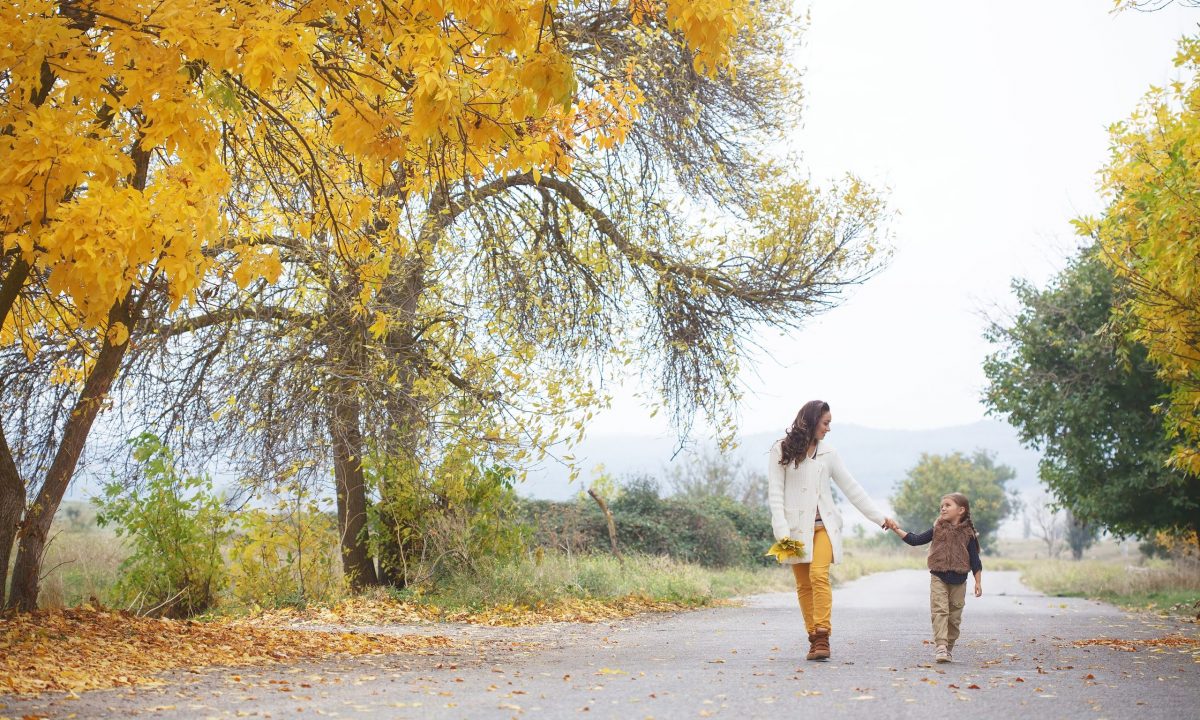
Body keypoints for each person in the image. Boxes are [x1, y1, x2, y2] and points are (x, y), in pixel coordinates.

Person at [767, 400, 894, 661]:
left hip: (824, 527)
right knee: (803, 584)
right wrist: (781, 533)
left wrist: (880, 518)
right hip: (792, 531)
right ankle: (813, 638)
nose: (828, 429)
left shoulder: (829, 454)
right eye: (825, 423)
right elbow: (775, 494)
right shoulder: (780, 449)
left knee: (818, 574)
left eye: (829, 424)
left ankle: (823, 635)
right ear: (812, 421)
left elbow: (852, 489)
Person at [888, 492, 983, 663]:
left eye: (948, 505)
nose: (943, 508)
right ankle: (941, 646)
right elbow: (915, 540)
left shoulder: (968, 533)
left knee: (954, 618)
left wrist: (978, 581)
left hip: (959, 579)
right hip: (938, 576)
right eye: (942, 505)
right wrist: (895, 528)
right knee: (940, 610)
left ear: (961, 510)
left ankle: (949, 647)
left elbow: (975, 560)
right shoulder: (938, 528)